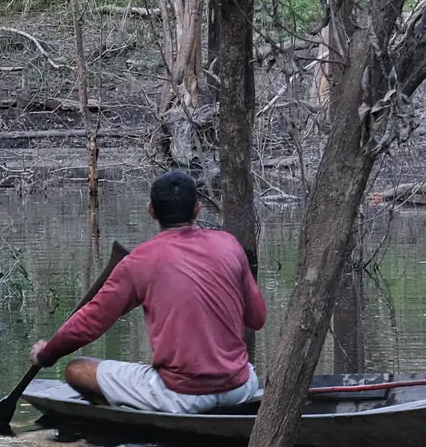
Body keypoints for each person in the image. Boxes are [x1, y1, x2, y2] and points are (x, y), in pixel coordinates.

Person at [28, 171, 266, 413]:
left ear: (151, 211)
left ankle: (120, 414)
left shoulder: (139, 261)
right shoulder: (229, 244)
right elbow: (257, 319)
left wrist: (47, 354)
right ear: (197, 209)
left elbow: (91, 321)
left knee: (76, 369)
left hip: (181, 397)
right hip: (241, 387)